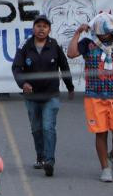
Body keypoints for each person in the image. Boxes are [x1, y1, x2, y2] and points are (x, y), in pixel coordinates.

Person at [68, 12, 113, 182]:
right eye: (99, 31)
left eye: (105, 30)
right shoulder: (88, 42)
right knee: (101, 133)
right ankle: (105, 168)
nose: (102, 33)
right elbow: (71, 53)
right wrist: (77, 33)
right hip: (94, 96)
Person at [11, 12, 74, 176]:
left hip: (51, 95)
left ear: (49, 30)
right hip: (32, 97)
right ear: (33, 28)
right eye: (38, 26)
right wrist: (23, 83)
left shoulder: (54, 46)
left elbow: (64, 67)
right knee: (36, 128)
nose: (41, 29)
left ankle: (49, 161)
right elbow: (16, 68)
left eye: (45, 26)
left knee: (48, 127)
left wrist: (70, 87)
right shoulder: (25, 46)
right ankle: (40, 156)